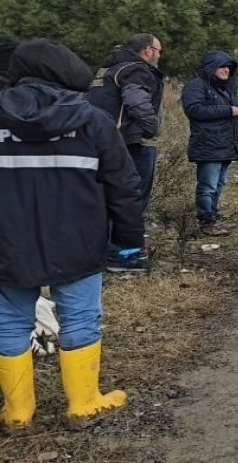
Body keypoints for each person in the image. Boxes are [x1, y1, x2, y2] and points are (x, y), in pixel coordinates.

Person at [0, 39, 144, 431]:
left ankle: (17, 413)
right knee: (80, 318)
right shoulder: (92, 121)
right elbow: (124, 185)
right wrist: (131, 242)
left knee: (9, 323)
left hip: (7, 243)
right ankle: (83, 404)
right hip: (77, 240)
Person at [86, 33, 164, 272]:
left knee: (106, 199)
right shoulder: (135, 70)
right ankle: (122, 255)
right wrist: (151, 129)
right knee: (130, 200)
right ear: (148, 50)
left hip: (99, 142)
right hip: (130, 143)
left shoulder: (106, 71)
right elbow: (136, 101)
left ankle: (104, 250)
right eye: (159, 51)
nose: (160, 56)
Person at [182, 51, 238, 237]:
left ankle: (212, 215)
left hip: (227, 146)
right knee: (207, 186)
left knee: (219, 184)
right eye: (221, 66)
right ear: (211, 67)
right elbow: (194, 110)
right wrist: (229, 110)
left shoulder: (229, 87)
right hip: (208, 145)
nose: (226, 70)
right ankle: (206, 221)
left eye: (228, 67)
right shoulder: (195, 86)